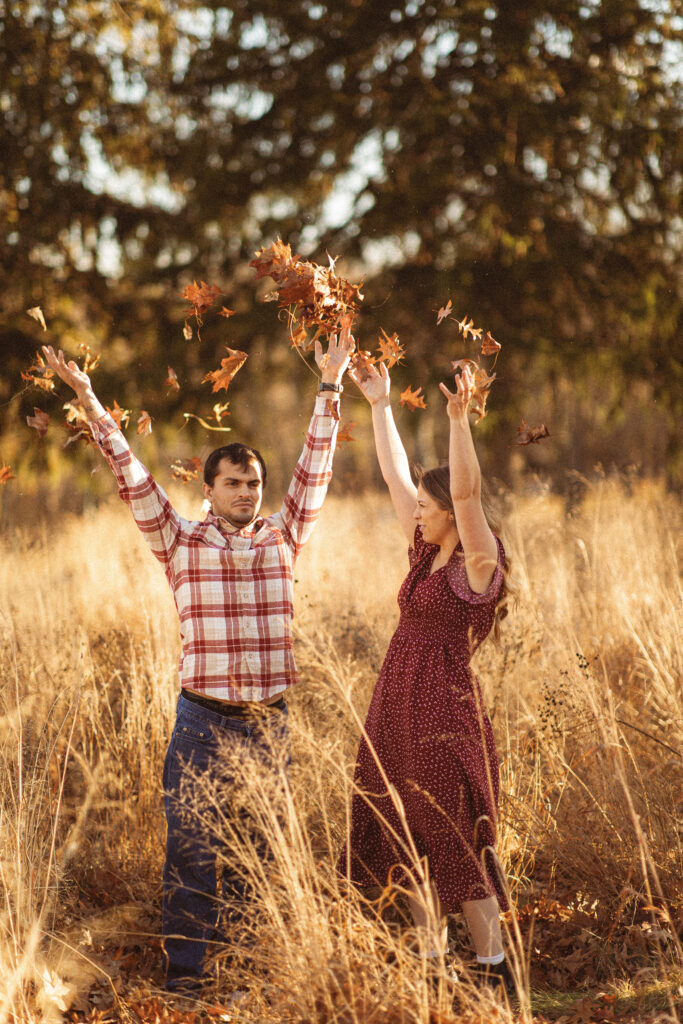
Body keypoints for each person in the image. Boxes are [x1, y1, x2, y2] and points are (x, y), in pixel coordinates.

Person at [42, 327, 354, 994]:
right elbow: (130, 475)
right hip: (202, 724)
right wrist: (91, 400)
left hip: (268, 722)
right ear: (209, 489)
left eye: (254, 482)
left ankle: (245, 970)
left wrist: (330, 384)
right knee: (192, 850)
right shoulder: (180, 542)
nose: (248, 492)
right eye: (234, 482)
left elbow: (315, 468)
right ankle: (187, 977)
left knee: (257, 851)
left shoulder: (283, 537)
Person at [341, 358, 514, 994]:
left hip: (444, 715)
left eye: (426, 503)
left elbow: (466, 493)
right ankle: (431, 963)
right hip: (396, 710)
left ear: (448, 511)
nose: (416, 508)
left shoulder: (476, 562)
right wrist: (381, 404)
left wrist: (457, 420)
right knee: (405, 831)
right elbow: (392, 473)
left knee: (454, 836)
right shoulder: (423, 549)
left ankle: (496, 971)